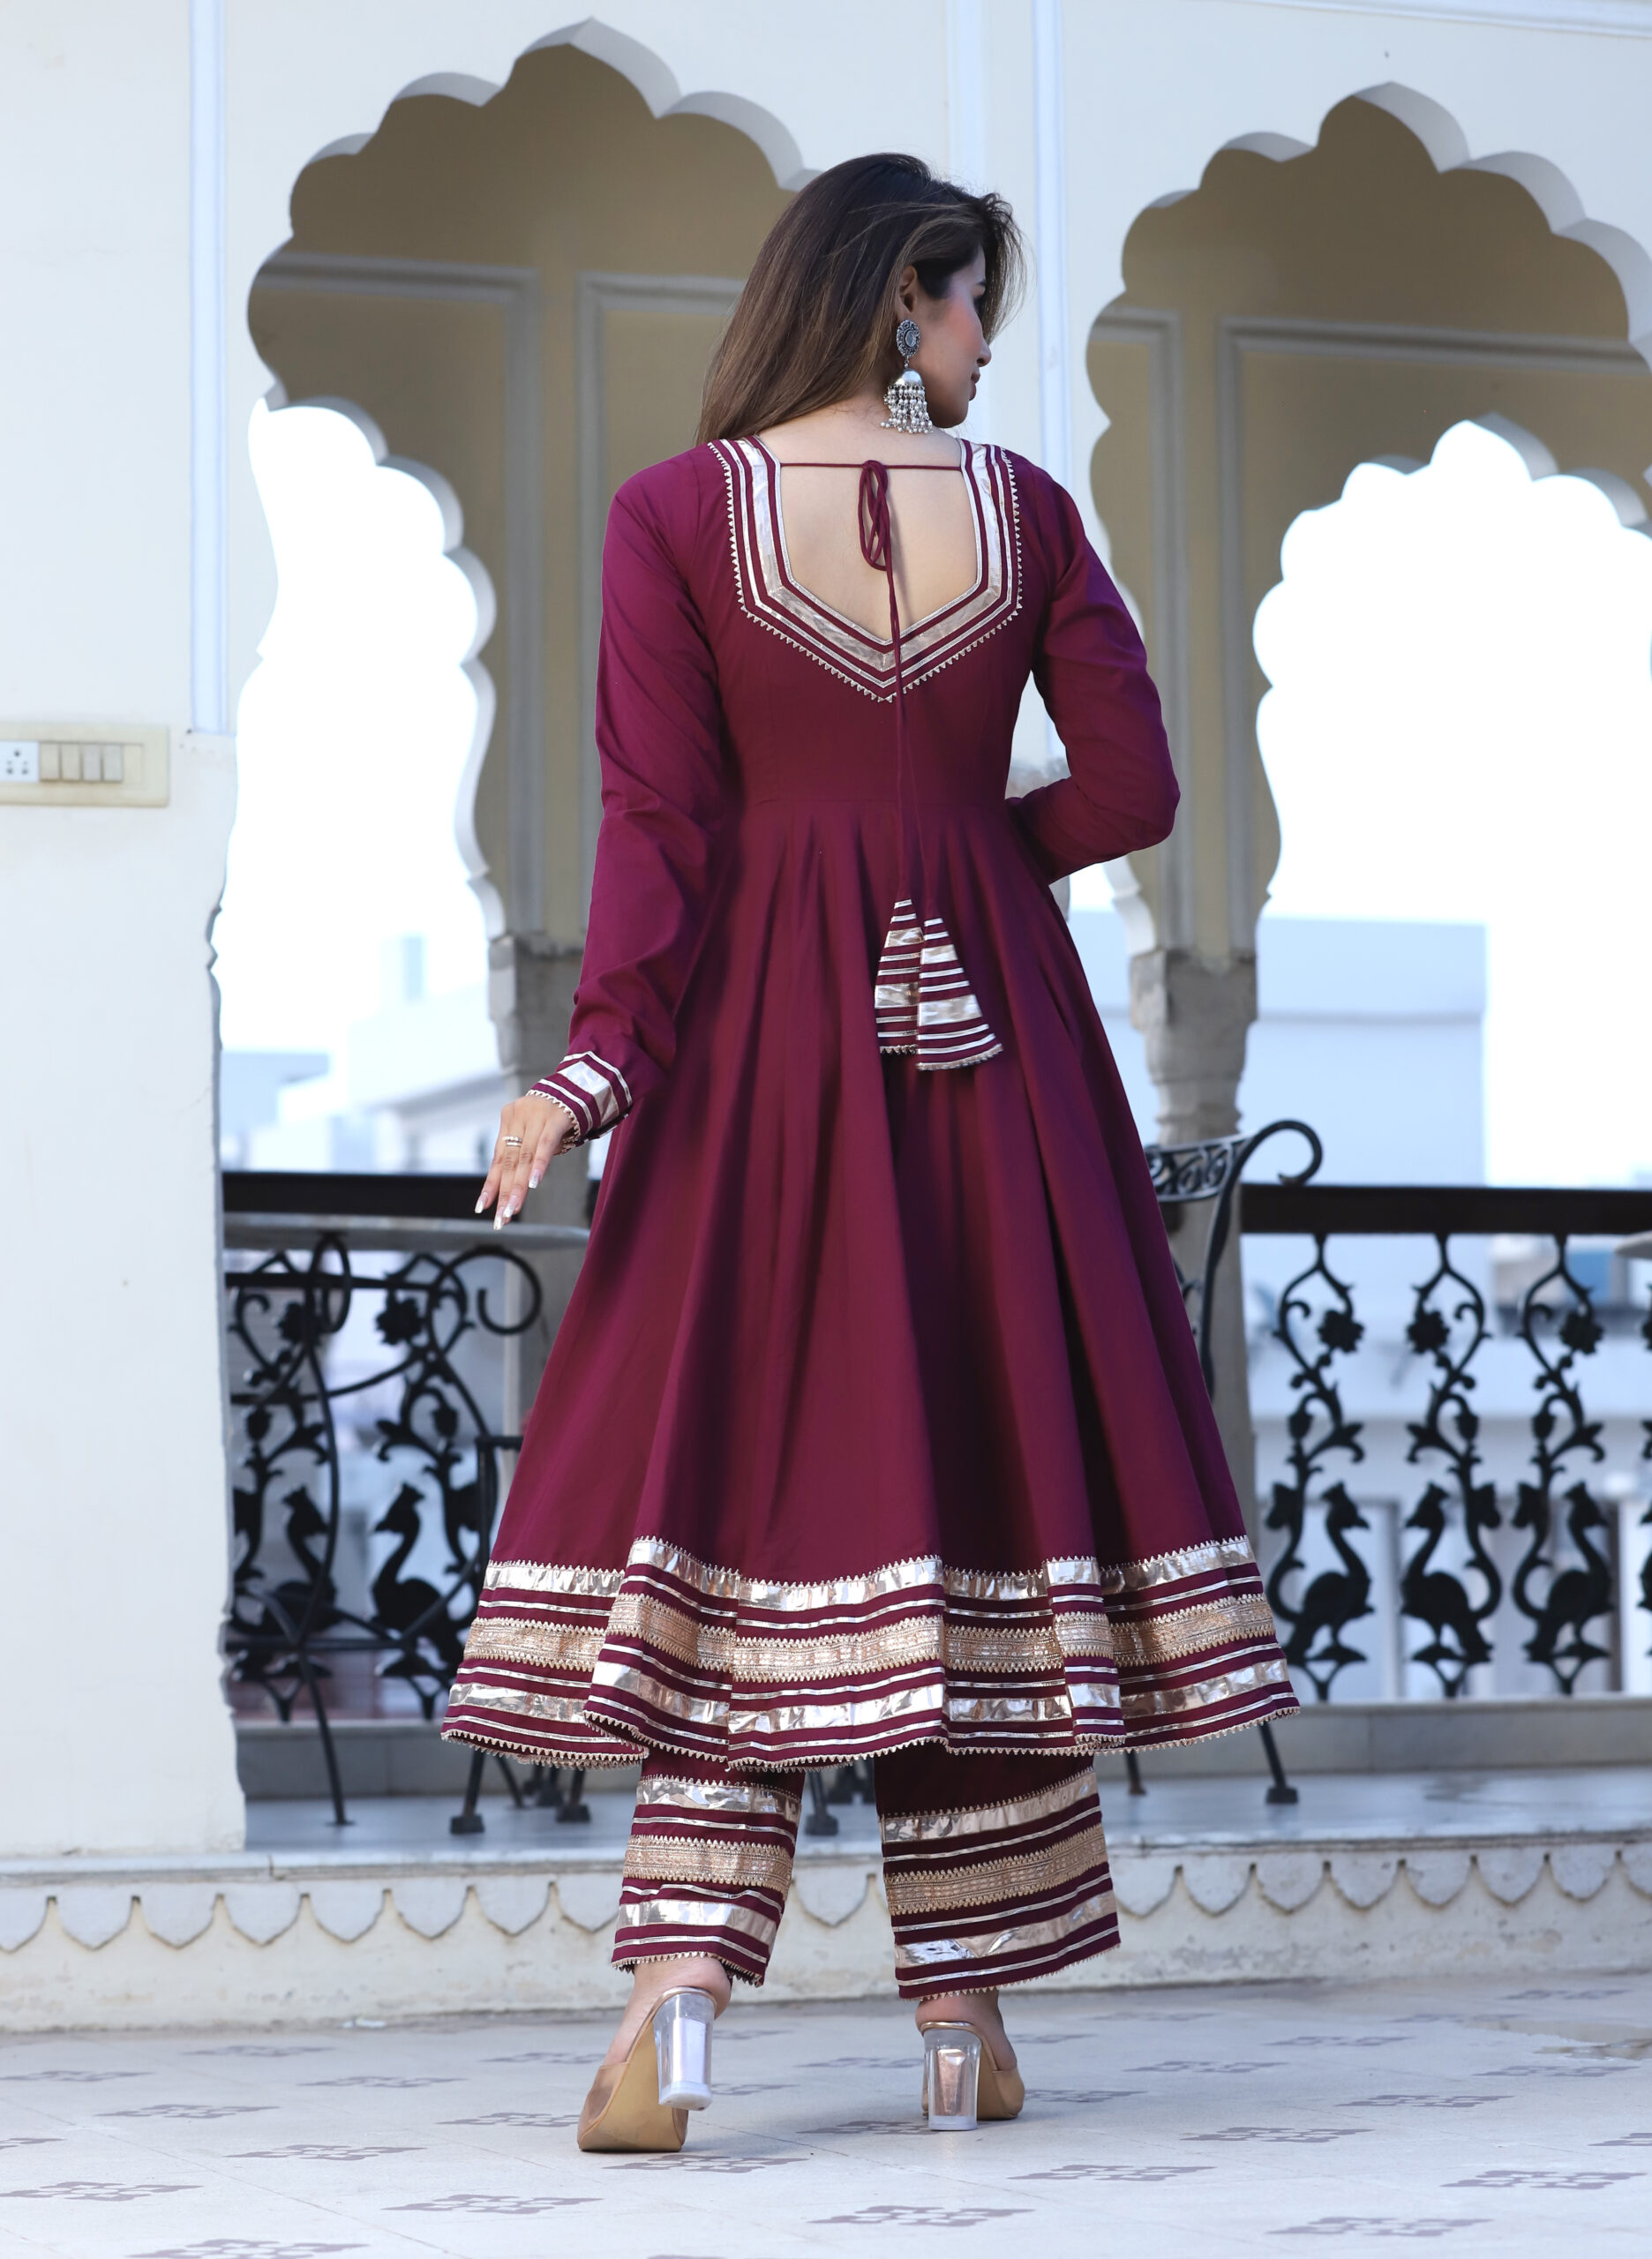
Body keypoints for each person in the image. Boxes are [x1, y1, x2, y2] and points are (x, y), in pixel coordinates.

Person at [444, 153, 1296, 2150]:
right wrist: (974, 856)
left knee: (747, 1493)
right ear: (903, 298)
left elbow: (658, 827)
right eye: (975, 299)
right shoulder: (1029, 512)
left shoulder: (677, 515)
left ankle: (674, 2006)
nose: (987, 339)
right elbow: (1136, 788)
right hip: (994, 1041)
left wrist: (588, 1073)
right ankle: (962, 2024)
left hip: (762, 1034)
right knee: (977, 1481)